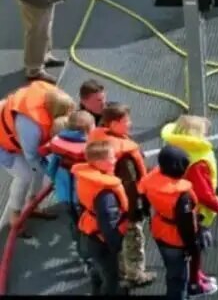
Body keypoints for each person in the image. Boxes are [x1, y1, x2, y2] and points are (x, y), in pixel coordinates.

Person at [88, 102, 155, 286]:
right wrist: (139, 206)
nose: (130, 123)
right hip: (126, 207)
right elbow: (130, 185)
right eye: (126, 121)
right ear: (112, 123)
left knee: (117, 242)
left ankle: (120, 268)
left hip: (106, 205)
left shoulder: (99, 142)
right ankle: (135, 274)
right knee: (133, 239)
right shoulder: (124, 157)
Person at [139, 145, 218, 299]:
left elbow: (144, 202)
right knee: (179, 279)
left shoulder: (151, 180)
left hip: (160, 229)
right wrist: (192, 247)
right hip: (176, 239)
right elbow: (186, 226)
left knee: (172, 270)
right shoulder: (182, 196)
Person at [161, 115, 218, 291]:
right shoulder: (198, 160)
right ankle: (195, 282)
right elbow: (203, 192)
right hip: (196, 211)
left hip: (175, 207)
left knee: (192, 249)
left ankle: (196, 275)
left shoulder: (173, 147)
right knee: (196, 248)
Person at [0, 81, 74, 235]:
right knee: (25, 175)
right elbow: (32, 157)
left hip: (16, 131)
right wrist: (52, 173)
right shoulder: (31, 127)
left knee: (40, 172)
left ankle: (32, 204)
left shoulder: (54, 99)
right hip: (3, 142)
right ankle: (15, 216)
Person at [73, 140, 128, 296]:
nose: (115, 159)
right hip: (102, 240)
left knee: (97, 270)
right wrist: (115, 245)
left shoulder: (87, 179)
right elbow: (108, 224)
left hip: (89, 233)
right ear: (100, 162)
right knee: (111, 277)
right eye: (111, 157)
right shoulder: (106, 194)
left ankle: (96, 290)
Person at [43, 110, 95, 267]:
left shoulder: (58, 147)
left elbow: (50, 171)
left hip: (65, 198)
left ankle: (82, 255)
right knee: (89, 229)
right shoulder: (90, 149)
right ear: (88, 129)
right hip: (83, 198)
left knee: (75, 226)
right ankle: (91, 257)